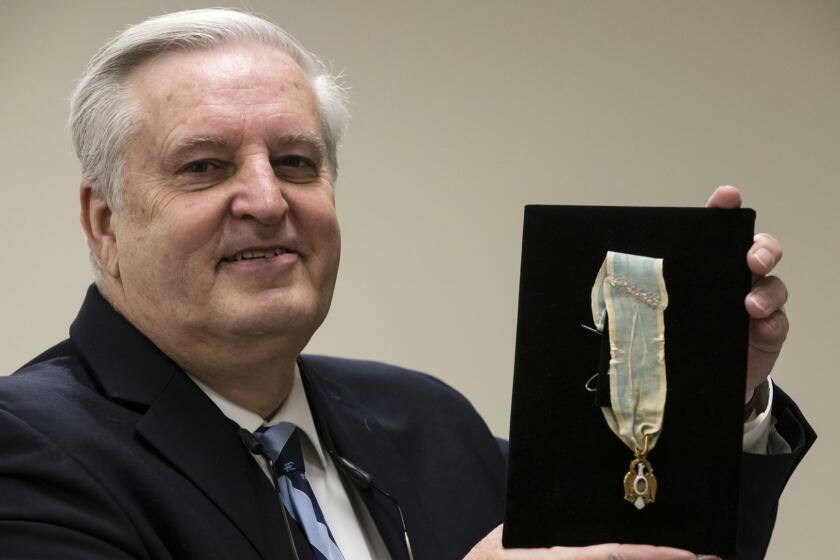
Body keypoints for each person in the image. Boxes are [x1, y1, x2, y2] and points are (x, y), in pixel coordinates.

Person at [0, 8, 813, 560]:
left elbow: (642, 542)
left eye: (295, 163)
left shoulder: (426, 421)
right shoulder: (30, 449)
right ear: (104, 222)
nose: (266, 199)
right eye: (205, 167)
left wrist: (704, 394)